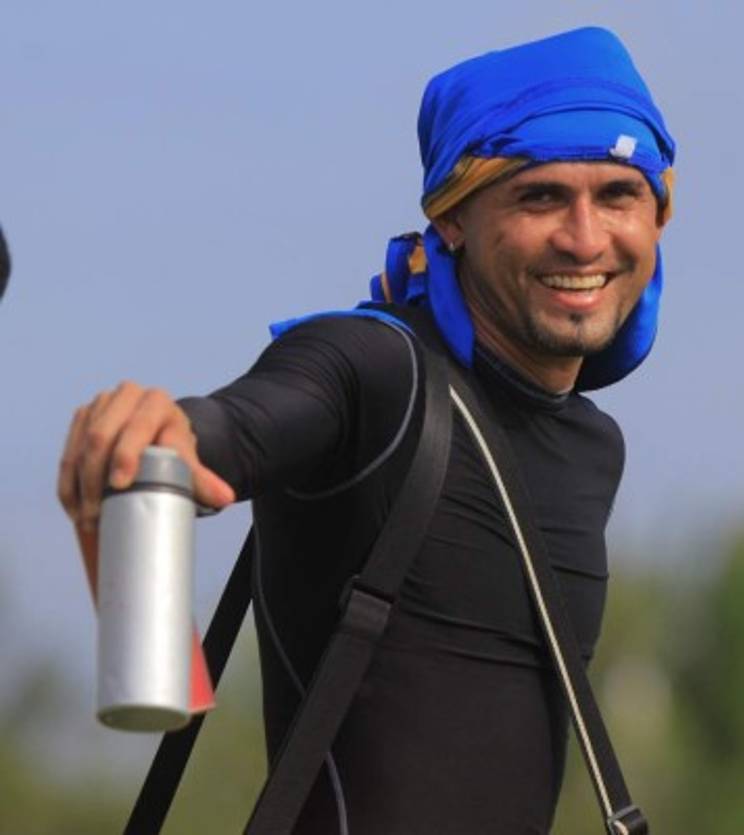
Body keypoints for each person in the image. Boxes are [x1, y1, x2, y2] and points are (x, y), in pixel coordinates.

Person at [57, 27, 675, 834]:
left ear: (660, 213)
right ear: (451, 219)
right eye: (540, 197)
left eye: (618, 196)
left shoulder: (594, 444)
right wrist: (162, 434)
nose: (586, 238)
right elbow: (244, 422)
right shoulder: (373, 367)